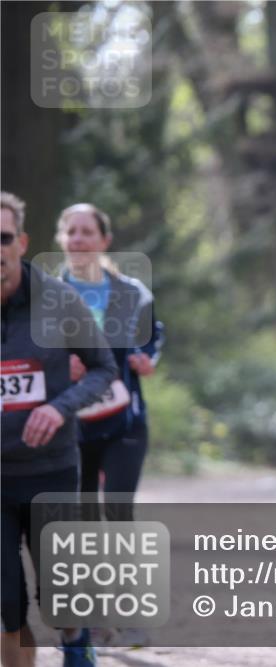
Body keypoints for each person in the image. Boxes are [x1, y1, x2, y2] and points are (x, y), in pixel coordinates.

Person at [1, 191, 117, 667]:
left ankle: (75, 640)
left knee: (60, 598)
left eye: (3, 238)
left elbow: (102, 368)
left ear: (21, 242)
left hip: (50, 470)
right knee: (6, 606)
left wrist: (59, 407)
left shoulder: (57, 299)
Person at [56, 203, 163, 525]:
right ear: (61, 239)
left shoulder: (133, 292)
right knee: (81, 516)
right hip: (70, 423)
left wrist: (147, 358)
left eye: (87, 232)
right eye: (71, 232)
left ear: (105, 241)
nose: (78, 239)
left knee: (118, 512)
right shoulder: (45, 295)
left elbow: (153, 335)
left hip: (124, 418)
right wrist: (60, 367)